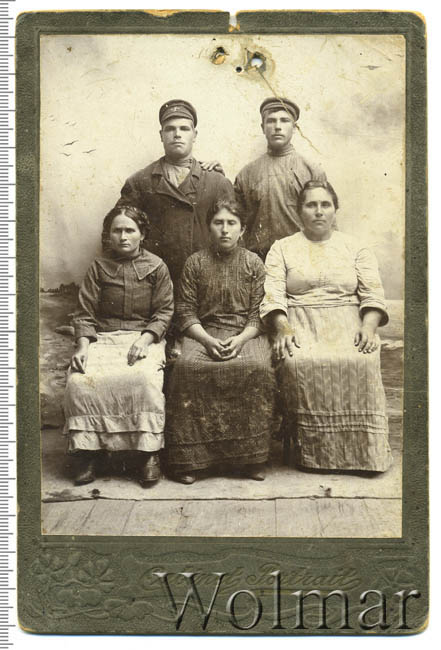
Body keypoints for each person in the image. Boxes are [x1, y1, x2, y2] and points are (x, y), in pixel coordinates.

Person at [260, 180, 393, 472]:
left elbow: (372, 293)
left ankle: (364, 455)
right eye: (311, 205)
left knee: (362, 359)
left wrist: (369, 327)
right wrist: (283, 327)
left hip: (348, 321)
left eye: (325, 205)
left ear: (335, 210)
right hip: (301, 321)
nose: (318, 211)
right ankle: (312, 454)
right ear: (299, 211)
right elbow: (273, 295)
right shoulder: (282, 248)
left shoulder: (355, 247)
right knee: (298, 361)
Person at [165, 199, 278, 484]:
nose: (225, 230)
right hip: (203, 333)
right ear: (209, 227)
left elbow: (258, 313)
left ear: (242, 229)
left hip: (246, 333)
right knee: (186, 369)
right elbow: (185, 311)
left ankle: (251, 459)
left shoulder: (253, 263)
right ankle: (190, 460)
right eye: (218, 223)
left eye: (231, 223)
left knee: (257, 368)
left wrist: (240, 339)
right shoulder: (195, 263)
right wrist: (206, 340)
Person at [63, 205, 174, 487]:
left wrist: (145, 339)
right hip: (103, 338)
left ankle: (148, 453)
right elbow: (84, 313)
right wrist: (82, 346)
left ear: (142, 234)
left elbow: (164, 312)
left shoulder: (157, 267)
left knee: (144, 378)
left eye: (130, 230)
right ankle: (87, 452)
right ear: (108, 235)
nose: (123, 237)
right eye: (117, 230)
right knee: (79, 381)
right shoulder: (98, 267)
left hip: (143, 338)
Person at [115, 99, 234, 287]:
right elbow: (115, 232)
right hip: (153, 282)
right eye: (170, 129)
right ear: (161, 135)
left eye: (184, 129)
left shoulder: (217, 182)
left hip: (205, 282)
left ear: (194, 135)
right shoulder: (140, 181)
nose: (177, 134)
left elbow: (234, 240)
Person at [234, 97, 327, 260]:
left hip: (302, 259)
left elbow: (327, 223)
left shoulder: (311, 171)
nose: (277, 126)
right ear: (263, 128)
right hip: (259, 261)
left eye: (284, 120)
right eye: (271, 121)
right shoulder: (246, 175)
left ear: (295, 127)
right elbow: (235, 223)